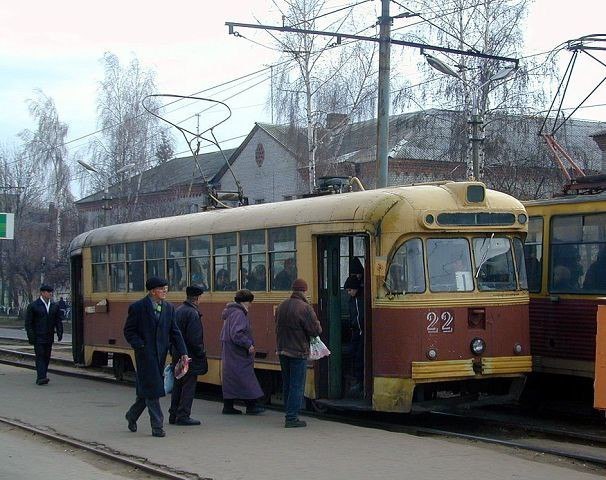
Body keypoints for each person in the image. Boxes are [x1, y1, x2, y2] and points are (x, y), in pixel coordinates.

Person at [123, 277, 188, 438]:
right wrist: (140, 345)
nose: (165, 291)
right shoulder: (138, 307)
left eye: (166, 288)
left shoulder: (169, 308)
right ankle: (157, 426)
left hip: (160, 355)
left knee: (146, 390)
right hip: (145, 355)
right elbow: (129, 331)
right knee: (153, 390)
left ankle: (132, 415)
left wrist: (183, 352)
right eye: (161, 289)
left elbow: (175, 332)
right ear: (152, 291)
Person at [275, 278, 322, 428]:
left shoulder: (282, 305)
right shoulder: (304, 308)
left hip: (282, 349)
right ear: (304, 291)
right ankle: (291, 417)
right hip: (298, 351)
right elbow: (315, 330)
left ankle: (288, 412)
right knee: (297, 384)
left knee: (288, 383)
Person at [220, 289, 265, 415]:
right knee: (245, 377)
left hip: (230, 351)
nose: (250, 305)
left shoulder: (230, 312)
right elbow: (237, 333)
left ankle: (228, 406)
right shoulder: (239, 314)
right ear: (247, 302)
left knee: (232, 378)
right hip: (238, 353)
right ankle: (251, 405)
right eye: (250, 302)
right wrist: (248, 344)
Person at [169, 285, 207, 426]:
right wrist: (200, 353)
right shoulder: (192, 313)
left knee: (178, 383)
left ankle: (173, 414)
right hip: (189, 355)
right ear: (197, 298)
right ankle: (183, 415)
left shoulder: (178, 310)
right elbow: (195, 338)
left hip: (177, 352)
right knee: (189, 385)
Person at [24, 284, 64, 385]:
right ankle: (41, 377)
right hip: (38, 336)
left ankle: (42, 375)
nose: (50, 293)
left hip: (49, 336)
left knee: (47, 356)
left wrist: (60, 332)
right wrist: (31, 336)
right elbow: (28, 323)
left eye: (51, 292)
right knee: (40, 355)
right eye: (48, 292)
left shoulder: (54, 306)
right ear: (42, 293)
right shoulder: (33, 306)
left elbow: (58, 321)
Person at [344, 275, 364, 397]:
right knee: (354, 353)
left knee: (358, 356)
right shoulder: (354, 299)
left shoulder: (358, 300)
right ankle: (356, 378)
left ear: (355, 289)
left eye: (350, 290)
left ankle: (359, 380)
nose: (348, 292)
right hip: (356, 331)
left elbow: (359, 316)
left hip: (359, 332)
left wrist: (358, 328)